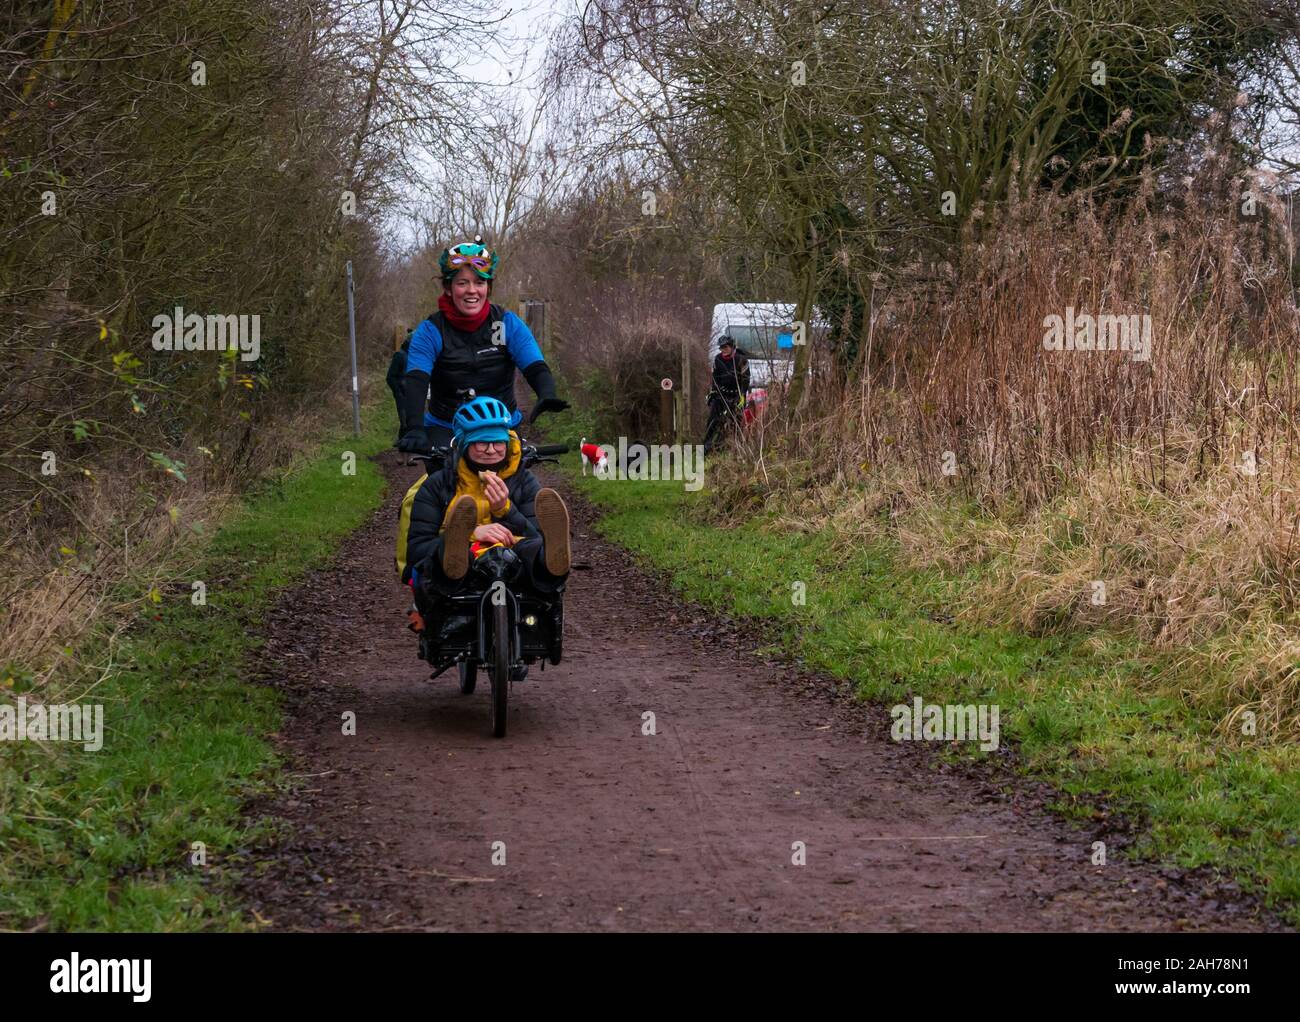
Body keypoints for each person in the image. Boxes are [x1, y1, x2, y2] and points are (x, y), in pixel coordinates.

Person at [398, 396, 571, 616]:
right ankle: (455, 546)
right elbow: (417, 551)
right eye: (482, 442)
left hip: (514, 560)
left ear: (507, 444)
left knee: (534, 549)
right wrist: (470, 533)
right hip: (460, 572)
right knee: (449, 556)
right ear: (464, 444)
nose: (491, 450)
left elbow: (534, 535)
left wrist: (506, 510)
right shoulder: (438, 485)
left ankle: (552, 561)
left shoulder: (524, 481)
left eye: (498, 442)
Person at [397, 238, 568, 451]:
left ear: (488, 287)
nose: (472, 290)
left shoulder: (506, 323)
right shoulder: (430, 330)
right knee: (442, 482)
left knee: (521, 483)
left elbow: (534, 365)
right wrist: (415, 427)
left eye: (479, 282)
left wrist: (546, 393)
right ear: (448, 288)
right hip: (446, 427)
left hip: (502, 425)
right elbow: (416, 380)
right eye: (462, 283)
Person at [703, 335, 750, 453]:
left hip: (736, 395)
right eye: (721, 347)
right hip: (721, 394)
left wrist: (742, 396)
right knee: (712, 420)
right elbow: (715, 378)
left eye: (725, 347)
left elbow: (746, 380)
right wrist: (713, 392)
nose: (723, 349)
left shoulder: (741, 359)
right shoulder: (717, 359)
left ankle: (733, 448)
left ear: (732, 346)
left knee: (735, 423)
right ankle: (706, 447)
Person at [386, 327, 412, 443]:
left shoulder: (414, 356)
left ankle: (405, 444)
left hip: (412, 393)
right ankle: (402, 445)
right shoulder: (400, 356)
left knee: (412, 421)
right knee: (405, 422)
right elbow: (390, 377)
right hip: (402, 393)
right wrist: (398, 391)